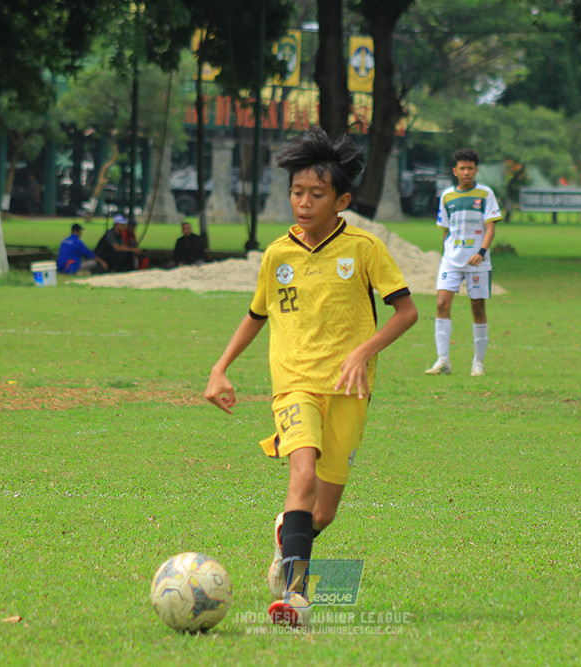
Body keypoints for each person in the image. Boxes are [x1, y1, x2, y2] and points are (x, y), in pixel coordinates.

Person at [203, 127, 418, 627]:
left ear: (341, 200)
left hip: (348, 389)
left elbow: (406, 313)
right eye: (297, 192)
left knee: (321, 513)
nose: (303, 202)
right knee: (300, 473)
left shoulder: (365, 248)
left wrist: (363, 352)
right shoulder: (277, 254)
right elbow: (257, 314)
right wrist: (220, 368)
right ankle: (296, 596)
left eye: (316, 194)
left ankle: (289, 535)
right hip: (294, 382)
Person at [424, 148, 502, 377]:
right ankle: (443, 361)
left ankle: (478, 362)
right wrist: (446, 254)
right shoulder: (447, 195)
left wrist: (481, 251)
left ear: (476, 170)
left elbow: (491, 227)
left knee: (477, 308)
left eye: (470, 168)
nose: (466, 172)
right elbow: (446, 230)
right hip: (451, 260)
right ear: (455, 171)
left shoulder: (485, 194)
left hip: (478, 261)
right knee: (441, 304)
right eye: (462, 168)